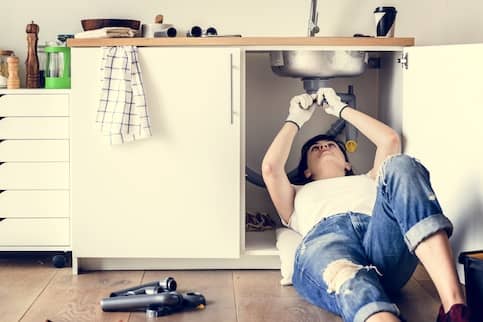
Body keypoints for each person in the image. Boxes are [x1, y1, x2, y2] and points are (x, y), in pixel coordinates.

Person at [261, 88, 470, 322]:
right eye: (314, 148)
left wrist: (341, 109)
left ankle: (455, 308)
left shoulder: (371, 178)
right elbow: (270, 168)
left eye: (331, 145)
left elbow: (389, 139)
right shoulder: (295, 193)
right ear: (306, 170)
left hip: (382, 240)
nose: (323, 147)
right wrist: (295, 119)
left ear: (348, 164)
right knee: (349, 279)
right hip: (327, 243)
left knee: (400, 164)